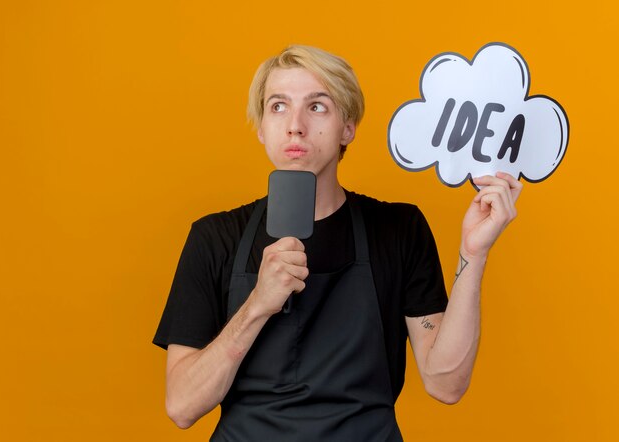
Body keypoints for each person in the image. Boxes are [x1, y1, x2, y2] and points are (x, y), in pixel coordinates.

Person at [153, 45, 522, 441]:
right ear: (261, 127)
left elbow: (445, 383)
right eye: (278, 106)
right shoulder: (214, 237)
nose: (295, 125)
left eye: (317, 107)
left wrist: (474, 252)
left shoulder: (397, 229)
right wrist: (258, 305)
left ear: (348, 127)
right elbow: (182, 406)